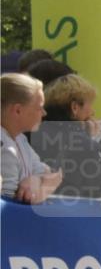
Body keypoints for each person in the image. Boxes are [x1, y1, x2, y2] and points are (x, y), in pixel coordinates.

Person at [33, 74, 101, 200]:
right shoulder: (84, 144)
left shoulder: (29, 134)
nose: (93, 112)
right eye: (90, 104)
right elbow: (100, 189)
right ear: (75, 107)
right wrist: (91, 141)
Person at [1, 73, 62, 203]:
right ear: (17, 110)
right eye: (39, 108)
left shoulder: (20, 139)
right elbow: (7, 208)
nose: (44, 113)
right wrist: (45, 184)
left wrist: (37, 180)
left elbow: (46, 171)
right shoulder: (5, 147)